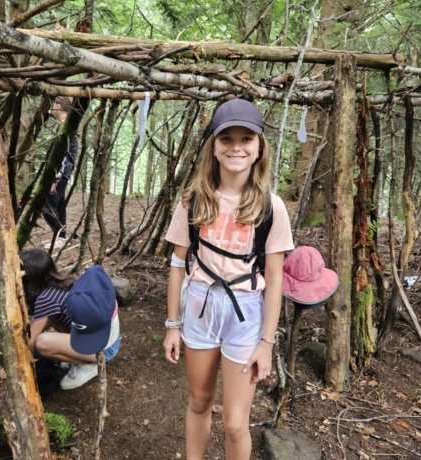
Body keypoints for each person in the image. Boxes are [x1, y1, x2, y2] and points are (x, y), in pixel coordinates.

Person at [163, 99, 294, 459]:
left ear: (258, 148)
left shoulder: (271, 206)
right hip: (200, 306)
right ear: (214, 147)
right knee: (199, 401)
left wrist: (266, 342)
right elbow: (177, 265)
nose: (236, 147)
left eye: (246, 138)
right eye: (227, 139)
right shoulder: (193, 201)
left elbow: (275, 277)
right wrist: (173, 324)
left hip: (245, 313)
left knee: (236, 422)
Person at [20, 249, 121, 390]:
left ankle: (89, 365)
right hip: (109, 338)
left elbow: (30, 343)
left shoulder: (45, 299)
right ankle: (84, 355)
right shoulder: (65, 282)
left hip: (103, 348)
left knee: (42, 343)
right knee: (50, 319)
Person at [43, 97, 78, 249]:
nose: (51, 107)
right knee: (60, 205)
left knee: (47, 207)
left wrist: (54, 178)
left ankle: (60, 236)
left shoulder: (65, 127)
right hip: (63, 173)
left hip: (60, 173)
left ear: (58, 105)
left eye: (53, 104)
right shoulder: (66, 125)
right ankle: (60, 237)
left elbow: (62, 156)